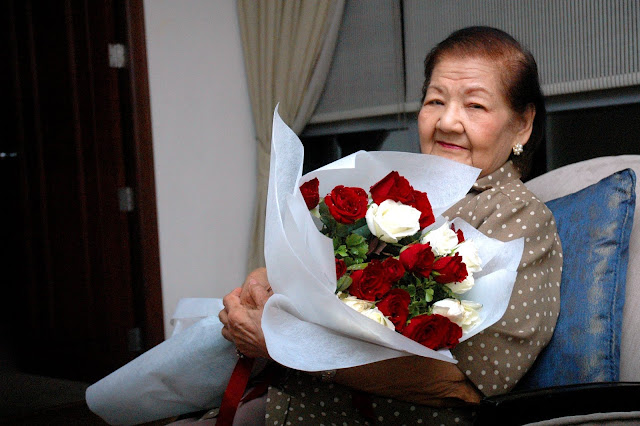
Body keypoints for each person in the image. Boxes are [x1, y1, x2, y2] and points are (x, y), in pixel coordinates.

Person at [218, 26, 562, 425]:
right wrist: (269, 282)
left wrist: (288, 345)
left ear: (522, 124)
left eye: (475, 106)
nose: (447, 121)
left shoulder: (520, 218)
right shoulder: (393, 196)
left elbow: (468, 384)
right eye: (435, 101)